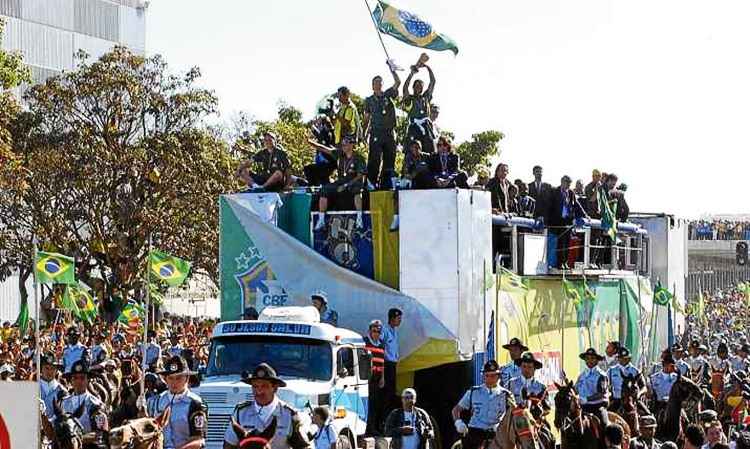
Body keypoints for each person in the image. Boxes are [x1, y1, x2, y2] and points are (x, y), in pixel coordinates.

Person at [223, 363, 310, 449]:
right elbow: (229, 445)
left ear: (275, 388)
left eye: (264, 386)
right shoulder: (240, 413)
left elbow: (303, 447)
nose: (259, 391)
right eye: (255, 386)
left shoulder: (289, 415)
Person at [147, 355, 207, 449]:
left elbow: (198, 440)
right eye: (170, 378)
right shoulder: (156, 401)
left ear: (187, 378)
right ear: (165, 379)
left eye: (178, 378)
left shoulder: (196, 404)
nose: (174, 382)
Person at [310, 135, 367, 231]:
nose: (343, 146)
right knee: (324, 189)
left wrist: (346, 185)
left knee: (357, 191)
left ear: (352, 145)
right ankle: (321, 220)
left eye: (345, 144)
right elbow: (324, 149)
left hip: (353, 181)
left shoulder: (359, 158)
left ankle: (359, 218)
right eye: (343, 145)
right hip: (341, 181)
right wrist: (311, 142)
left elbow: (360, 175)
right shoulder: (340, 154)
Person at [452, 360, 512, 449]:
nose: (489, 379)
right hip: (475, 433)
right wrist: (458, 422)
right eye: (486, 376)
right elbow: (456, 409)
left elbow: (513, 415)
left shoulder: (506, 394)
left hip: (496, 434)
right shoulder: (473, 392)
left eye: (492, 376)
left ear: (498, 376)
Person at [363, 67, 400, 189]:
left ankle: (386, 184)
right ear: (372, 86)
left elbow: (398, 82)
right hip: (376, 132)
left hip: (389, 132)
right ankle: (371, 184)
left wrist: (392, 69)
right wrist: (364, 134)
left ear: (382, 84)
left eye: (380, 82)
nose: (377, 85)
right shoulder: (368, 100)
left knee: (389, 159)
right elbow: (367, 118)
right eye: (375, 83)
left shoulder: (388, 95)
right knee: (374, 159)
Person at [60, 361, 109, 445]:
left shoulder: (96, 405)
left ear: (88, 380)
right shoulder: (63, 402)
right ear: (71, 381)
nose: (79, 381)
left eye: (82, 378)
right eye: (75, 378)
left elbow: (100, 434)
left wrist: (75, 440)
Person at [402, 61, 436, 154]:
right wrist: (411, 74)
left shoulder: (426, 97)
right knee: (411, 151)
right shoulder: (410, 99)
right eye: (416, 86)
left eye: (420, 87)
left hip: (426, 127)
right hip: (414, 128)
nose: (418, 88)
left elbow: (433, 82)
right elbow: (405, 88)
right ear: (413, 88)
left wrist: (427, 67)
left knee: (430, 151)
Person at [547, 175, 579, 268]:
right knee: (560, 243)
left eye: (569, 183)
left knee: (567, 243)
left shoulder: (571, 193)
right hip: (557, 221)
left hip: (567, 221)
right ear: (562, 181)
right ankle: (559, 263)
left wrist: (584, 215)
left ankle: (565, 262)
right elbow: (550, 206)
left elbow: (576, 205)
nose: (568, 184)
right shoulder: (555, 192)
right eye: (566, 182)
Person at [575, 348, 610, 423]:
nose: (589, 361)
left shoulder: (601, 375)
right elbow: (576, 389)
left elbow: (601, 393)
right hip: (582, 407)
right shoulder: (582, 375)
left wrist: (587, 399)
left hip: (597, 406)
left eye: (592, 358)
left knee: (605, 425)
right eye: (587, 358)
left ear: (597, 360)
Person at [364, 320, 386, 436]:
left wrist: (382, 378)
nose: (376, 333)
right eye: (374, 331)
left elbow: (382, 363)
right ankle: (367, 428)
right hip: (368, 377)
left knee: (375, 404)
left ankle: (373, 427)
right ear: (370, 331)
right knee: (368, 403)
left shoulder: (382, 344)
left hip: (378, 378)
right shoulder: (365, 342)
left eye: (378, 331)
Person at [608, 347, 646, 412]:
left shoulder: (636, 371)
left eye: (626, 358)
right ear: (618, 358)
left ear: (629, 358)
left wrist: (639, 394)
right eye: (621, 358)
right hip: (616, 401)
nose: (623, 360)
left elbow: (644, 387)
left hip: (633, 401)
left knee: (649, 417)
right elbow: (606, 386)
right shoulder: (611, 371)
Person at [303, 115, 337, 186]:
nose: (317, 122)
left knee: (311, 170)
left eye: (319, 121)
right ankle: (319, 186)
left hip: (328, 160)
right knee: (315, 172)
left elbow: (322, 138)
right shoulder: (323, 130)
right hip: (322, 158)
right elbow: (319, 135)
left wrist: (313, 130)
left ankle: (318, 187)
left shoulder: (328, 130)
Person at [382, 308, 402, 414]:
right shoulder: (385, 330)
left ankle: (389, 415)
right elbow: (382, 346)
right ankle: (383, 418)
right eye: (398, 318)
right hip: (387, 364)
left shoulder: (394, 331)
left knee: (392, 391)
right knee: (387, 392)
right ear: (392, 318)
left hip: (393, 363)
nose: (400, 321)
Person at [39, 353, 67, 423]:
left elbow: (64, 414)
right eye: (46, 368)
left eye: (52, 368)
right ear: (41, 369)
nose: (49, 371)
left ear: (57, 370)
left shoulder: (62, 391)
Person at [649, 352, 678, 417]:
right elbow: (650, 393)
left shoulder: (676, 378)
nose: (672, 367)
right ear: (664, 365)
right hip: (658, 406)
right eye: (669, 365)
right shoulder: (654, 378)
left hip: (672, 406)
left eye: (672, 365)